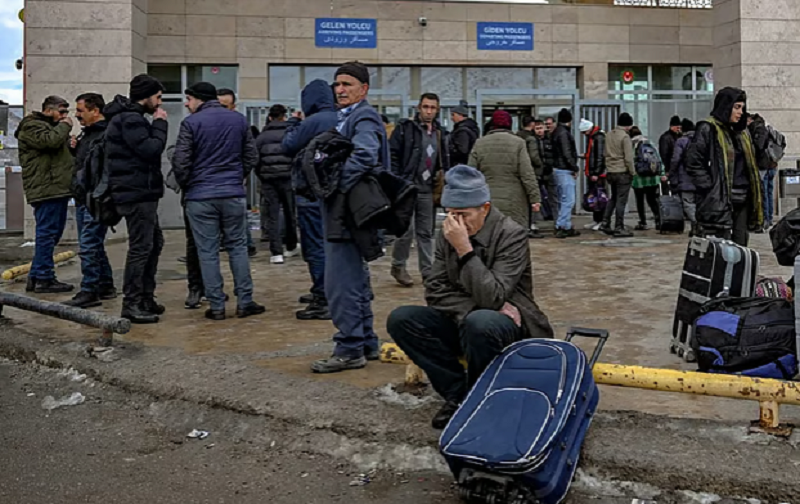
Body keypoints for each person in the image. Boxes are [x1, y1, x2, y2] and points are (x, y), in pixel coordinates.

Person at [387, 165, 554, 429]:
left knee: (481, 322)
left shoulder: (511, 234)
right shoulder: (448, 232)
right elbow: (434, 289)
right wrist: (469, 308)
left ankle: (483, 399)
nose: (457, 223)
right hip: (465, 317)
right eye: (452, 214)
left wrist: (465, 249)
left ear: (485, 209)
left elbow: (494, 295)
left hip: (509, 326)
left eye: (464, 215)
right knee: (402, 318)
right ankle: (458, 394)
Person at [310, 62, 389, 374]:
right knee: (354, 280)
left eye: (347, 84)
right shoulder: (349, 118)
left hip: (347, 214)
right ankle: (365, 342)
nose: (340, 90)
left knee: (340, 283)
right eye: (337, 85)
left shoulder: (363, 116)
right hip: (348, 214)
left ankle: (349, 349)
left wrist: (336, 184)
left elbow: (366, 154)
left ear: (364, 89)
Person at [171, 81, 263, 321]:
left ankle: (217, 306)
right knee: (238, 248)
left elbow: (181, 162)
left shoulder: (190, 123)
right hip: (232, 194)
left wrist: (190, 184)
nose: (186, 104)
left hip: (200, 197)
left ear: (198, 99)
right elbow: (251, 156)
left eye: (188, 99)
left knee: (207, 251)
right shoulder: (239, 120)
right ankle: (245, 301)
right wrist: (236, 177)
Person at [104, 75, 168, 323]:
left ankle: (144, 298)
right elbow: (150, 149)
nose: (160, 103)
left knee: (154, 243)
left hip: (140, 192)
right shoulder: (131, 119)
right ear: (147, 96)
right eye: (158, 97)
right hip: (136, 193)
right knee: (141, 248)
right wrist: (160, 124)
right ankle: (132, 304)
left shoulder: (132, 118)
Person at [282, 79, 339, 321]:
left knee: (315, 248)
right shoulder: (342, 118)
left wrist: (294, 122)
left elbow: (288, 145)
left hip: (310, 194)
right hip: (335, 194)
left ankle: (322, 299)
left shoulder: (313, 121)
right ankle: (329, 291)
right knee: (336, 247)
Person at [685, 87, 763, 246]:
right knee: (721, 247)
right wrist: (709, 187)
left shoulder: (742, 133)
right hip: (719, 198)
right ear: (726, 106)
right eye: (737, 107)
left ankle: (738, 272)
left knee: (741, 245)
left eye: (742, 107)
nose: (740, 112)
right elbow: (693, 161)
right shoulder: (708, 128)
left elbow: (755, 163)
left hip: (743, 197)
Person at [389, 93, 450, 286]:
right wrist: (397, 181)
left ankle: (427, 271)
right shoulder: (406, 129)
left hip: (427, 189)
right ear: (419, 108)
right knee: (406, 230)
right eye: (425, 107)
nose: (429, 111)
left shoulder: (440, 132)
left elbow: (443, 159)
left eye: (432, 107)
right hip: (408, 187)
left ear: (437, 110)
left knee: (426, 232)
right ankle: (398, 265)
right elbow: (394, 155)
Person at [15, 96, 75, 294]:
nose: (65, 116)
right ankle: (44, 277)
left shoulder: (48, 128)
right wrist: (65, 127)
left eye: (66, 112)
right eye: (62, 112)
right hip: (46, 188)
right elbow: (49, 142)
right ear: (48, 110)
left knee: (52, 233)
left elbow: (55, 151)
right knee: (47, 234)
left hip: (55, 188)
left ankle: (35, 276)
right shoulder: (32, 127)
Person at [64, 93, 116, 307]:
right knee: (93, 244)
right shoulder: (89, 135)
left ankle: (90, 290)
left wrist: (99, 194)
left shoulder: (105, 135)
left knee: (88, 245)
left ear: (95, 110)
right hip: (84, 197)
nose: (76, 116)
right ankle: (104, 285)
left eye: (80, 111)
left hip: (96, 199)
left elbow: (103, 170)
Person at [469, 110, 541, 233]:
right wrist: (535, 198)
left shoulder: (480, 143)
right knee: (512, 238)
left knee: (489, 237)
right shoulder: (518, 143)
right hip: (514, 201)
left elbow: (471, 174)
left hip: (487, 199)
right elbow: (527, 173)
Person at [256, 104, 300, 265]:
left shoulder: (261, 137)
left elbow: (255, 159)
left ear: (269, 117)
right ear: (284, 117)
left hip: (268, 180)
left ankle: (276, 253)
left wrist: (262, 175)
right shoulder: (290, 134)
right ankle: (291, 245)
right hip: (288, 179)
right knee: (290, 213)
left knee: (272, 216)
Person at [218, 87, 257, 256]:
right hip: (214, 179)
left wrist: (241, 174)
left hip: (234, 178)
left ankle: (246, 244)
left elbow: (250, 154)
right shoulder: (205, 123)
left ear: (233, 106)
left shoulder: (239, 123)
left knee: (238, 215)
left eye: (225, 106)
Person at [602, 112, 635, 237]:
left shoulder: (609, 134)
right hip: (622, 172)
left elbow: (605, 153)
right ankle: (619, 227)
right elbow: (629, 158)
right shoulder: (625, 137)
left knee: (613, 198)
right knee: (621, 201)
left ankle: (605, 222)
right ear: (628, 125)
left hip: (611, 172)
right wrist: (632, 172)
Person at [551, 108, 580, 238]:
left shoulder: (556, 132)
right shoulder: (564, 134)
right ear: (570, 120)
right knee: (569, 200)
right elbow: (567, 153)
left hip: (558, 169)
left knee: (564, 199)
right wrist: (574, 167)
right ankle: (561, 225)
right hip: (564, 170)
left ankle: (566, 225)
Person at [630, 126, 665, 231]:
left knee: (640, 201)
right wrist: (661, 173)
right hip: (652, 178)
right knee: (652, 200)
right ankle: (659, 220)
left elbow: (631, 160)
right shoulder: (650, 143)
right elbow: (658, 159)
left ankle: (643, 222)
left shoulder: (633, 145)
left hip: (639, 178)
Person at [516, 115, 545, 238]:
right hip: (531, 171)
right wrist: (541, 165)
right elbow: (534, 157)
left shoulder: (517, 136)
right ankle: (531, 225)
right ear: (532, 124)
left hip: (518, 172)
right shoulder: (531, 139)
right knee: (533, 198)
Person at [670, 119, 698, 235]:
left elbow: (676, 159)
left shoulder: (681, 141)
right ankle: (695, 227)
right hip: (701, 178)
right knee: (697, 203)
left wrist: (671, 173)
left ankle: (696, 223)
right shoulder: (701, 140)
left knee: (688, 203)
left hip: (685, 177)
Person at [747, 113, 774, 231]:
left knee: (763, 193)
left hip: (763, 165)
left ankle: (765, 220)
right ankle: (768, 219)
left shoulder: (759, 130)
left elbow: (759, 146)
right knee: (767, 193)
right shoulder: (764, 129)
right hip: (770, 165)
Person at [581, 118, 606, 230]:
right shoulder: (593, 138)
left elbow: (600, 156)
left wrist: (596, 172)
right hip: (592, 172)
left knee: (599, 197)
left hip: (597, 173)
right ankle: (596, 219)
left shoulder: (598, 138)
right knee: (594, 197)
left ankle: (601, 220)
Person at [535, 118, 559, 223]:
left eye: (541, 128)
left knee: (553, 197)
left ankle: (557, 220)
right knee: (536, 198)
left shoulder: (550, 139)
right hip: (538, 173)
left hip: (549, 172)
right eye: (537, 128)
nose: (539, 131)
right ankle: (537, 220)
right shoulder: (533, 141)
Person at [449, 102, 479, 166]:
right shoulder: (471, 128)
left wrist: (450, 150)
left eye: (453, 115)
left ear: (460, 115)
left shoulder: (462, 131)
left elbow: (463, 151)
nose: (451, 118)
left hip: (460, 166)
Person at [658, 115, 682, 196]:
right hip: (669, 169)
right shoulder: (666, 138)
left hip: (674, 169)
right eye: (677, 127)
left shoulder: (676, 137)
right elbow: (664, 155)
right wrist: (667, 170)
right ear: (672, 126)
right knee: (667, 191)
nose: (679, 129)